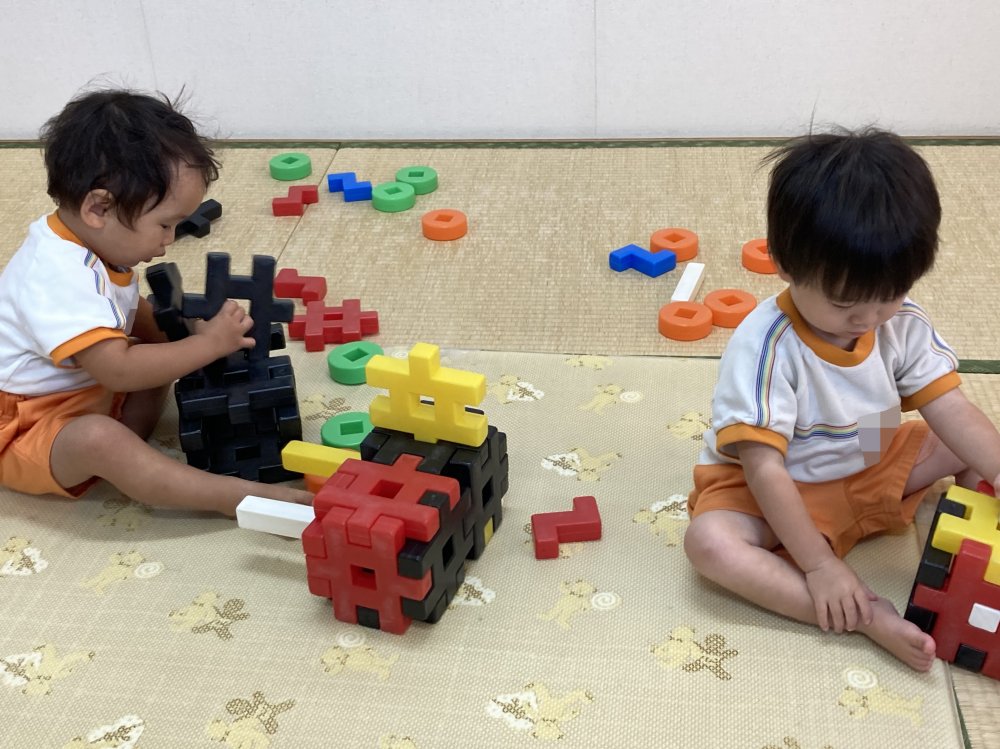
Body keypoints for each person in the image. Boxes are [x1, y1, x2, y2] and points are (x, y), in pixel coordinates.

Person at [684, 127, 1000, 671]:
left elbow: (948, 409)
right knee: (709, 544)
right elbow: (764, 469)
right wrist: (820, 567)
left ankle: (977, 535)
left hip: (871, 456)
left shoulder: (900, 320)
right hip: (777, 487)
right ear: (785, 264)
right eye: (845, 302)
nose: (869, 318)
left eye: (889, 296)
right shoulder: (766, 347)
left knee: (971, 438)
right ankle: (862, 614)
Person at [0, 88, 312, 516]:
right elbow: (118, 370)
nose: (169, 240)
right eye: (164, 225)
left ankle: (134, 457)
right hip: (23, 425)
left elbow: (130, 314)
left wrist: (188, 331)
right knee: (100, 439)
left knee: (158, 354)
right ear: (99, 208)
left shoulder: (93, 242)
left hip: (86, 393)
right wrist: (207, 345)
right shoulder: (57, 275)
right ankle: (230, 496)